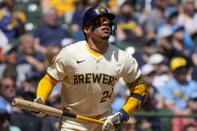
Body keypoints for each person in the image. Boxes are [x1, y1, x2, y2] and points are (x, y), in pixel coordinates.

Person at [34, 4, 148, 131]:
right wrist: (41, 98)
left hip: (104, 121)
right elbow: (49, 80)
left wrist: (123, 114)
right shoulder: (69, 53)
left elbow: (140, 89)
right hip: (73, 121)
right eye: (99, 21)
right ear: (87, 29)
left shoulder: (123, 58)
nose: (105, 24)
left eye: (108, 21)